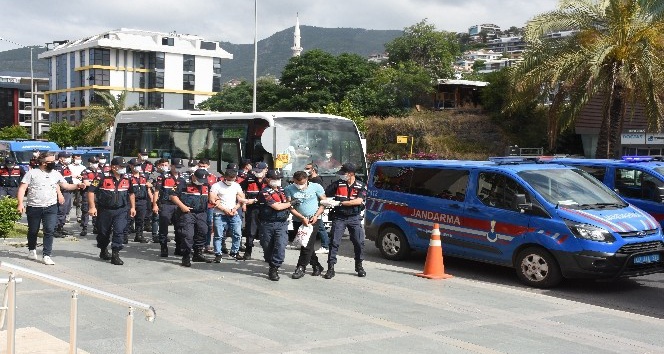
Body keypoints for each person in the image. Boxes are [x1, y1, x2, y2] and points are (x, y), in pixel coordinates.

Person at [16, 152, 84, 265]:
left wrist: (78, 186)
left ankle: (46, 255)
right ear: (43, 163)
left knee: (49, 230)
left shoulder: (55, 174)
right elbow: (22, 188)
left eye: (54, 161)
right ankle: (32, 250)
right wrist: (20, 204)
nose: (54, 163)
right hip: (34, 207)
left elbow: (66, 186)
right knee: (33, 230)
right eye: (51, 161)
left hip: (51, 207)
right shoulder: (32, 173)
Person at [87, 157, 136, 265]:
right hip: (105, 210)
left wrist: (132, 207)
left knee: (119, 231)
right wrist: (92, 207)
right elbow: (91, 192)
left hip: (121, 210)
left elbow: (131, 193)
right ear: (113, 167)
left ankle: (115, 254)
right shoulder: (101, 177)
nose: (123, 169)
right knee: (104, 233)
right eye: (121, 167)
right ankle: (103, 249)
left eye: (124, 167)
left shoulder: (127, 178)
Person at [323, 163, 367, 279]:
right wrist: (326, 201)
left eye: (344, 173)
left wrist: (340, 203)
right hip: (339, 217)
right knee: (334, 242)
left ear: (351, 173)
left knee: (359, 242)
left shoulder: (361, 185)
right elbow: (324, 194)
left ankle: (359, 265)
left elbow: (358, 201)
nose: (341, 175)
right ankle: (330, 268)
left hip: (354, 218)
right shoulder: (337, 184)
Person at [284, 170, 327, 279]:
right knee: (305, 244)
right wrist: (301, 218)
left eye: (302, 183)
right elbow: (290, 206)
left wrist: (316, 215)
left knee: (306, 245)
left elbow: (323, 202)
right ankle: (316, 265)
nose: (299, 185)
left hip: (313, 220)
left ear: (307, 179)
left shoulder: (316, 187)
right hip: (298, 220)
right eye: (297, 183)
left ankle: (300, 267)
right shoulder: (289, 189)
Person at [258, 170, 298, 281]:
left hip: (282, 223)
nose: (278, 181)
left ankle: (274, 267)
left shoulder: (282, 190)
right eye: (275, 179)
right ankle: (270, 261)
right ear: (267, 179)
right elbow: (277, 207)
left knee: (280, 245)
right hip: (267, 223)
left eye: (279, 178)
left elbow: (285, 204)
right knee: (267, 246)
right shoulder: (264, 192)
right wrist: (291, 203)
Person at [170, 168, 213, 266]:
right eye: (199, 180)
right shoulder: (183, 181)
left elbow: (210, 195)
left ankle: (198, 254)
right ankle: (186, 256)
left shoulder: (205, 183)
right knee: (188, 235)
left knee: (203, 231)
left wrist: (214, 200)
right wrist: (183, 207)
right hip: (187, 213)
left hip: (201, 212)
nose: (201, 183)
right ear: (193, 176)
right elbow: (173, 196)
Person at [209, 168, 247, 262]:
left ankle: (235, 252)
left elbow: (242, 199)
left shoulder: (236, 185)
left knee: (237, 233)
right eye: (229, 178)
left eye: (233, 178)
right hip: (219, 213)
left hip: (233, 213)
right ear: (225, 177)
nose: (231, 180)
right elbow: (212, 200)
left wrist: (235, 208)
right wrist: (224, 210)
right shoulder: (216, 186)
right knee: (218, 235)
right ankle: (218, 254)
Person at [153, 158, 185, 257]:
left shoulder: (184, 178)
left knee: (179, 228)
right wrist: (155, 204)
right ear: (171, 166)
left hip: (178, 205)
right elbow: (157, 191)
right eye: (176, 167)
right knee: (164, 227)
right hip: (166, 204)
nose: (178, 169)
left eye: (180, 167)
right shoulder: (163, 177)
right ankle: (164, 248)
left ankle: (178, 248)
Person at [239, 161, 269, 260]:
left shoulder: (270, 180)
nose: (257, 173)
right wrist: (244, 201)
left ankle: (267, 254)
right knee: (250, 231)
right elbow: (238, 190)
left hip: (266, 210)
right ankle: (248, 252)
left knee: (265, 232)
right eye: (256, 171)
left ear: (266, 170)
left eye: (260, 171)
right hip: (253, 209)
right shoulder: (249, 179)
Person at [305, 162, 330, 254]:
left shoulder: (317, 180)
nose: (306, 170)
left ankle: (325, 246)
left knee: (319, 226)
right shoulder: (310, 179)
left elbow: (320, 194)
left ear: (313, 170)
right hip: (311, 205)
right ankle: (304, 243)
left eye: (308, 168)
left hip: (316, 206)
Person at [127, 158, 152, 243]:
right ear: (130, 166)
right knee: (128, 219)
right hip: (130, 200)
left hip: (142, 200)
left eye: (138, 165)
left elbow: (148, 187)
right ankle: (124, 235)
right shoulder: (127, 177)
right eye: (135, 165)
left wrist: (151, 198)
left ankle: (139, 235)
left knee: (140, 219)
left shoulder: (143, 176)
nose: (137, 167)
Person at [79, 156, 101, 236]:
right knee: (85, 211)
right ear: (89, 163)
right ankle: (84, 228)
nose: (95, 164)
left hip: (98, 193)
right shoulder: (85, 171)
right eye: (93, 163)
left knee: (97, 210)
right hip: (87, 193)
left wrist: (94, 184)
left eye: (96, 163)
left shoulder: (100, 171)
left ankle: (96, 227)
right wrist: (97, 184)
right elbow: (86, 183)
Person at [54, 152, 74, 238]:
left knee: (66, 210)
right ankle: (55, 229)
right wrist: (59, 194)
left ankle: (60, 227)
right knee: (60, 211)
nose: (69, 158)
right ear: (61, 158)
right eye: (67, 157)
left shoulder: (66, 167)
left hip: (67, 191)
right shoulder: (58, 168)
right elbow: (56, 182)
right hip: (62, 192)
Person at [69, 153, 87, 224]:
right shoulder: (69, 166)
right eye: (77, 159)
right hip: (71, 185)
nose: (78, 160)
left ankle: (78, 216)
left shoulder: (83, 167)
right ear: (73, 159)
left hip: (80, 186)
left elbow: (85, 176)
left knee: (79, 202)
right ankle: (68, 216)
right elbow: (69, 174)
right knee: (69, 201)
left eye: (79, 159)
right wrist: (75, 176)